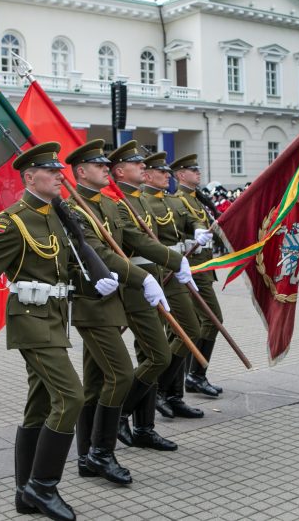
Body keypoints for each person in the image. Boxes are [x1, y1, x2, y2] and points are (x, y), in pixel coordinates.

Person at [0, 142, 97, 520]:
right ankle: (43, 487)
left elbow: (66, 267)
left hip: (57, 318)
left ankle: (23, 493)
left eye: (61, 170)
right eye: (52, 171)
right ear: (29, 177)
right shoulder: (10, 222)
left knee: (40, 405)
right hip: (31, 321)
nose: (61, 175)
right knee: (72, 397)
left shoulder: (57, 216)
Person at [65, 139, 166, 486]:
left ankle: (85, 457)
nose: (106, 169)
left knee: (94, 385)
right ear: (81, 172)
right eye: (99, 166)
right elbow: (101, 256)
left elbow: (123, 248)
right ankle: (102, 452)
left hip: (113, 302)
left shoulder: (108, 206)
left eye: (107, 165)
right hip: (91, 304)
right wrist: (143, 277)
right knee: (120, 375)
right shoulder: (73, 209)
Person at [108, 140, 191, 453]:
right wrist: (174, 259)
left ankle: (145, 428)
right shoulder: (119, 202)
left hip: (153, 279)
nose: (143, 167)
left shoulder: (138, 199)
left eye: (144, 164)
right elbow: (137, 244)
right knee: (158, 355)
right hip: (135, 285)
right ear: (120, 170)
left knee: (150, 357)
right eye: (137, 164)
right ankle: (120, 413)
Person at [141, 152, 208, 419]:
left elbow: (191, 219)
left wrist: (199, 227)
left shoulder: (172, 200)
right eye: (162, 172)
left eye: (168, 172)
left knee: (185, 331)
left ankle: (173, 394)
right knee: (185, 330)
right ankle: (159, 388)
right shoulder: (142, 202)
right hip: (159, 272)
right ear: (147, 175)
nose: (167, 176)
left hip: (178, 269)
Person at [171, 153, 225, 398]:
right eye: (192, 170)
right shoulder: (179, 201)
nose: (198, 172)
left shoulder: (196, 199)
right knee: (212, 319)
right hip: (192, 268)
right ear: (180, 175)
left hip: (203, 267)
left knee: (195, 324)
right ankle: (195, 375)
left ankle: (189, 375)